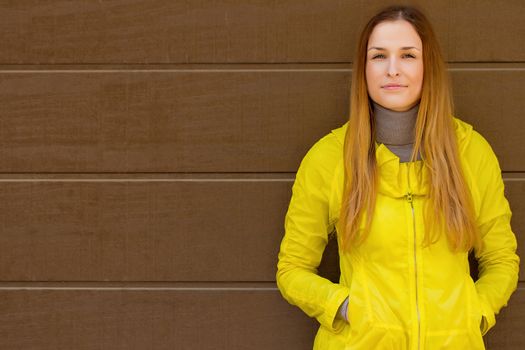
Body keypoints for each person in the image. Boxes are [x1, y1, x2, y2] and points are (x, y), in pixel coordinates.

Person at [275, 5, 520, 350]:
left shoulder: (471, 153)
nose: (393, 70)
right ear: (364, 68)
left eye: (407, 55)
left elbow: (501, 260)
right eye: (378, 56)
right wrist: (347, 308)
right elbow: (292, 269)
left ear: (427, 65)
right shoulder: (328, 159)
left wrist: (474, 313)